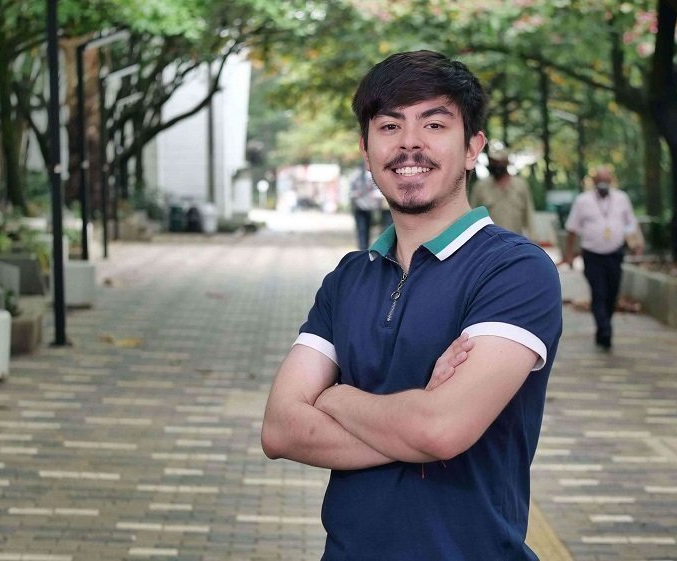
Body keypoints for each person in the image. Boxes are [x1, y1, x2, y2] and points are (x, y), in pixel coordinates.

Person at [261, 50, 562, 560]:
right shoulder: (347, 279)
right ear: (366, 148)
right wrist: (419, 413)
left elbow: (440, 430)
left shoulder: (515, 271)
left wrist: (335, 398)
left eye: (435, 123)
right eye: (390, 125)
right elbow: (280, 429)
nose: (410, 143)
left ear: (472, 148)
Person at [561, 167, 644, 350]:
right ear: (594, 181)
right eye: (600, 180)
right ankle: (605, 329)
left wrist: (637, 243)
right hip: (592, 255)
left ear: (612, 180)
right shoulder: (583, 201)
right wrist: (569, 254)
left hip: (615, 254)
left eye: (606, 179)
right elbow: (572, 229)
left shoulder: (622, 199)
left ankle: (603, 327)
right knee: (598, 292)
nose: (603, 183)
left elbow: (630, 223)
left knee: (611, 294)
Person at [469, 144, 535, 239]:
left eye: (499, 162)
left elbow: (529, 215)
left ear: (506, 163)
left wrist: (532, 240)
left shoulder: (520, 185)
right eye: (493, 162)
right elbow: (472, 216)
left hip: (515, 242)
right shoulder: (481, 187)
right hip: (489, 243)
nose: (496, 165)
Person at [348, 166, 382, 249]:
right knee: (361, 230)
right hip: (359, 208)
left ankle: (366, 249)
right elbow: (350, 192)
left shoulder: (371, 176)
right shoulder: (355, 176)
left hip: (369, 208)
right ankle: (362, 249)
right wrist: (356, 193)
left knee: (367, 230)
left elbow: (376, 191)